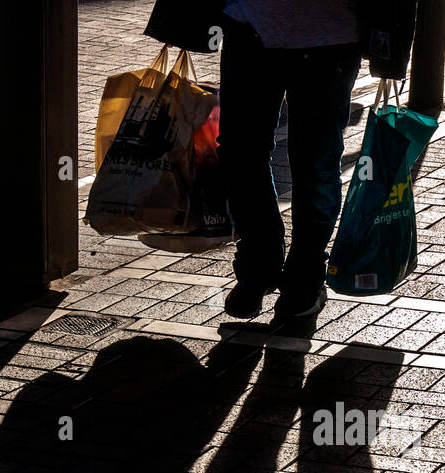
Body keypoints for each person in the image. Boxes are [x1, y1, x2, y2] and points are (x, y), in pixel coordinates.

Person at [144, 1, 418, 323]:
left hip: (330, 38)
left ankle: (305, 273)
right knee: (239, 151)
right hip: (249, 29)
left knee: (314, 163)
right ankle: (259, 263)